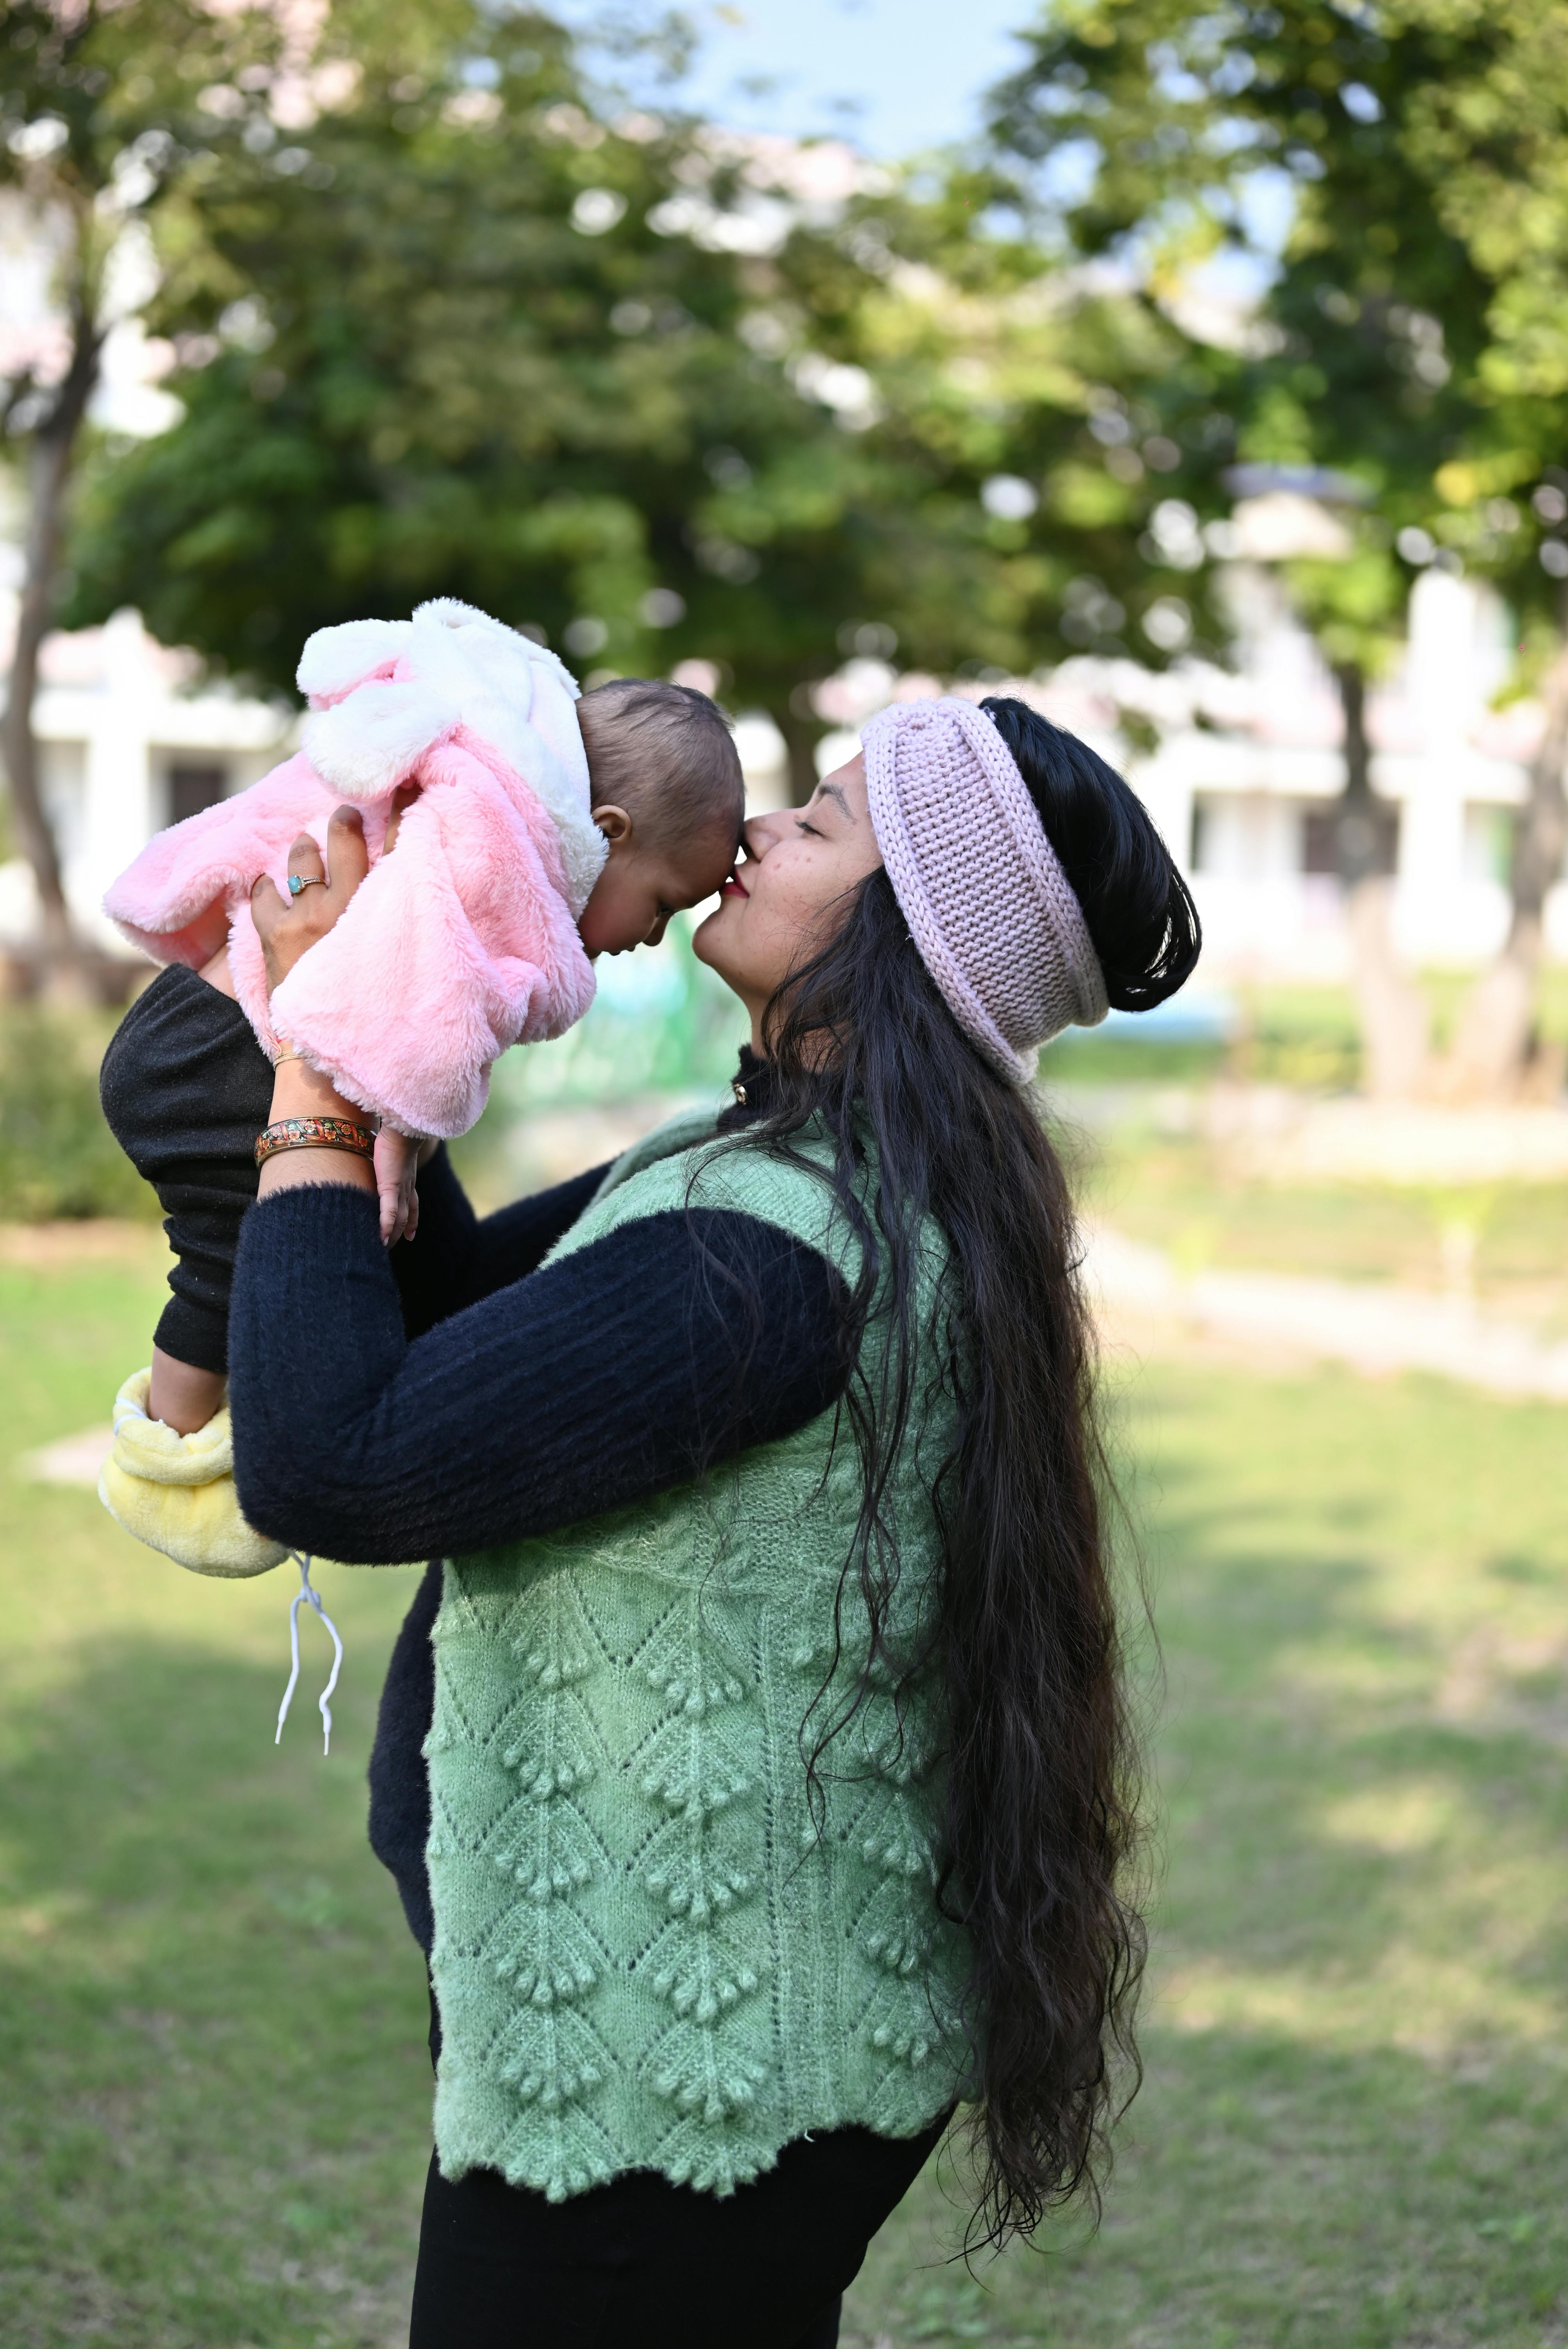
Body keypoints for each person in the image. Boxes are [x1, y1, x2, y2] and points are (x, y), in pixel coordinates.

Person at [214, 693, 1200, 2349]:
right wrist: (382, 1002)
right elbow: (450, 1322)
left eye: (822, 820)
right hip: (723, 2037)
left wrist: (313, 1070)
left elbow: (333, 1459)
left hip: (680, 2062)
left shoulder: (769, 1251)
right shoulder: (786, 1175)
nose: (758, 828)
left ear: (903, 936)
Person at [97, 635, 740, 1502]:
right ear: (608, 831)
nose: (655, 937)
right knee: (225, 1257)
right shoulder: (487, 850)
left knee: (252, 1254)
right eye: (662, 904)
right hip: (214, 1059)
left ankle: (199, 1429)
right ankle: (167, 1460)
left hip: (203, 1033)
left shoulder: (495, 810)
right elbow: (407, 996)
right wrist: (397, 1146)